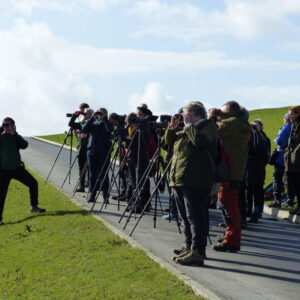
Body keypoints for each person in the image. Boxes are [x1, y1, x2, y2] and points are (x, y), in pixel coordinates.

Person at [165, 101, 217, 265]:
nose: (183, 117)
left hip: (196, 180)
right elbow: (170, 145)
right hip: (181, 179)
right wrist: (172, 128)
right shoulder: (188, 129)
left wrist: (188, 126)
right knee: (185, 218)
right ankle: (188, 246)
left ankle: (198, 252)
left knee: (195, 218)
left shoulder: (208, 127)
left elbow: (201, 143)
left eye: (187, 115)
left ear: (197, 115)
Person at [210, 101, 251, 252]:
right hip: (235, 171)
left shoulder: (230, 124)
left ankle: (232, 240)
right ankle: (231, 236)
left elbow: (210, 133)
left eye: (224, 109)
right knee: (231, 205)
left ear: (230, 111)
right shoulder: (240, 123)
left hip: (228, 171)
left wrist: (211, 116)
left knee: (229, 206)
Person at [0, 117, 46, 225]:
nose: (6, 126)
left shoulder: (16, 137)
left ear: (13, 126)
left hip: (17, 169)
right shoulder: (1, 137)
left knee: (33, 183)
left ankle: (34, 206)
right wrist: (1, 128)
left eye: (8, 124)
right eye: (4, 124)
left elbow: (24, 145)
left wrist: (14, 133)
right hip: (3, 171)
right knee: (1, 195)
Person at [82, 108, 113, 203]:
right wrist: (92, 117)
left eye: (101, 113)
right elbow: (84, 129)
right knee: (92, 175)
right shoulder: (93, 122)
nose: (99, 114)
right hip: (92, 151)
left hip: (103, 152)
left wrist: (103, 118)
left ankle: (105, 196)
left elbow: (110, 129)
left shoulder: (107, 123)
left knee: (103, 174)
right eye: (98, 112)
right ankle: (92, 195)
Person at [246, 120, 270, 223]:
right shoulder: (262, 139)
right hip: (256, 168)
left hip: (255, 168)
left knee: (256, 191)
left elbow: (262, 155)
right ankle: (252, 211)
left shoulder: (261, 140)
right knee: (251, 190)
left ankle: (256, 212)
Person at [268, 113, 293, 208]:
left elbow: (279, 141)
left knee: (277, 178)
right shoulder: (294, 127)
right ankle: (289, 199)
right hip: (290, 157)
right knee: (288, 179)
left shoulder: (287, 127)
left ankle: (277, 200)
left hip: (281, 156)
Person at [68, 104, 93, 192]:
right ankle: (81, 186)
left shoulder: (93, 123)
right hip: (81, 149)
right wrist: (75, 115)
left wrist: (87, 135)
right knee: (81, 168)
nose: (84, 115)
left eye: (86, 113)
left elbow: (96, 134)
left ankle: (91, 187)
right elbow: (70, 124)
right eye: (84, 114)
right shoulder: (82, 123)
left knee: (90, 169)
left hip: (89, 149)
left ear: (90, 114)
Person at [284, 106, 300, 215]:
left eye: (292, 114)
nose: (290, 116)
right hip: (291, 160)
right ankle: (298, 207)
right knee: (294, 185)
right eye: (289, 114)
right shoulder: (294, 125)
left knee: (298, 185)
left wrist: (295, 153)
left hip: (297, 160)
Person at [108, 113, 128, 201]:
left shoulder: (123, 125)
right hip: (122, 150)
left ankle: (126, 193)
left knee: (124, 172)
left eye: (111, 121)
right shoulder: (119, 125)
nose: (111, 124)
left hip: (126, 151)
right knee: (121, 171)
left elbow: (124, 137)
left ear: (114, 119)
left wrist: (116, 137)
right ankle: (123, 192)